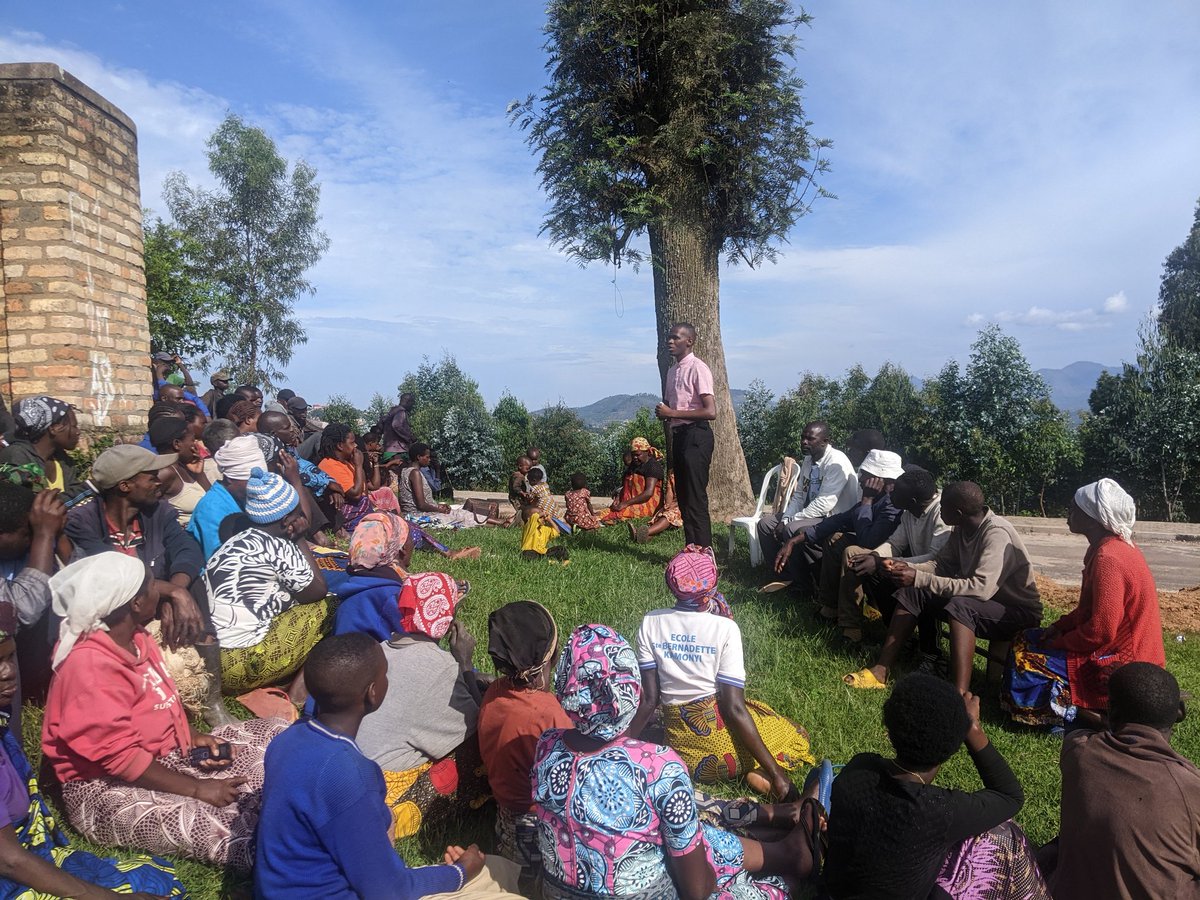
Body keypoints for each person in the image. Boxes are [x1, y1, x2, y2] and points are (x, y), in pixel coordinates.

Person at [533, 623, 819, 900]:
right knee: (720, 863)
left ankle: (784, 850)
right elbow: (697, 891)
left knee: (695, 837)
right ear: (633, 690)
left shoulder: (547, 746)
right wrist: (711, 870)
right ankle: (787, 875)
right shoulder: (658, 766)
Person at [41, 553, 286, 871]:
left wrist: (192, 738)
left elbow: (158, 705)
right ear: (136, 603)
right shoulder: (88, 665)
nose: (160, 589)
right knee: (225, 824)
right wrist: (198, 789)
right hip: (104, 786)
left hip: (162, 756)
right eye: (150, 585)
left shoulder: (137, 638)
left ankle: (272, 798)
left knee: (275, 732)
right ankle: (287, 851)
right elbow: (119, 758)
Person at [255, 632, 522, 899]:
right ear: (373, 693)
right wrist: (460, 872)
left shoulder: (286, 742)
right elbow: (389, 891)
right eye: (386, 674)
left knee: (499, 869)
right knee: (500, 879)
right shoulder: (352, 775)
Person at [0, 607, 187, 899]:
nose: (8, 671)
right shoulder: (88, 663)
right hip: (9, 870)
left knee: (153, 879)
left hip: (20, 850)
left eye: (10, 657)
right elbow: (8, 860)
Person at [823, 673, 1048, 899]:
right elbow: (1010, 796)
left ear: (890, 732)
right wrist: (974, 730)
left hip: (832, 894)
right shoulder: (939, 811)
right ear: (951, 749)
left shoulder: (858, 769)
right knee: (1005, 832)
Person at [629, 546, 814, 796]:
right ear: (711, 586)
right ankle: (763, 773)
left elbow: (650, 700)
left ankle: (754, 771)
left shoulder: (650, 622)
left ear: (671, 585)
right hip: (719, 746)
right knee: (790, 731)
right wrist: (778, 775)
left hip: (682, 752)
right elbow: (733, 707)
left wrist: (619, 744)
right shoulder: (725, 629)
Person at [844, 481, 1043, 692]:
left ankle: (959, 696)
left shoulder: (996, 534)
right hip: (986, 605)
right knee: (914, 593)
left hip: (1017, 612)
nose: (939, 509)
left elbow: (981, 588)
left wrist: (919, 578)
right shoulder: (962, 528)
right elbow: (941, 565)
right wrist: (908, 568)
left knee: (961, 606)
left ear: (958, 512)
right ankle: (881, 671)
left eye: (943, 506)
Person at [1003, 479, 1165, 728]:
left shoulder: (1108, 558)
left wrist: (1060, 642)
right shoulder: (1108, 548)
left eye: (1073, 508)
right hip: (1119, 647)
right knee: (1026, 637)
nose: (1068, 514)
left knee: (1027, 658)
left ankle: (1069, 716)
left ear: (1092, 518)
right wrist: (1060, 626)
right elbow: (1089, 610)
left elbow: (1101, 631)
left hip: (1122, 659)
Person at [1043, 662, 1200, 899]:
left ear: (1111, 713)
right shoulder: (1190, 787)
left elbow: (1087, 731)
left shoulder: (1077, 751)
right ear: (1180, 713)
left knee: (1056, 848)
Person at [354, 574, 488, 840]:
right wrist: (465, 664)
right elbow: (482, 726)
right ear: (446, 617)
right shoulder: (440, 669)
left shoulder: (381, 649)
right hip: (382, 796)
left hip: (349, 773)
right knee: (482, 752)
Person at [201, 469, 331, 701]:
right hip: (242, 665)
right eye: (298, 515)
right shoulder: (278, 547)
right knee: (328, 606)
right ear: (286, 521)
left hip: (213, 663)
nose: (303, 518)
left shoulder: (234, 542)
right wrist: (299, 538)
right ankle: (300, 687)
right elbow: (318, 590)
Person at [477, 601, 571, 893]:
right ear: (544, 663)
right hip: (537, 825)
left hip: (506, 818)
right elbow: (572, 769)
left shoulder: (495, 692)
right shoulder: (546, 711)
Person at [776, 448, 903, 608]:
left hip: (887, 560)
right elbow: (837, 521)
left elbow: (867, 542)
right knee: (827, 536)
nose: (861, 479)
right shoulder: (878, 500)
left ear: (879, 479)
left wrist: (867, 500)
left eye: (865, 475)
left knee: (848, 549)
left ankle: (850, 620)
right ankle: (828, 603)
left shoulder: (893, 505)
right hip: (870, 548)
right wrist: (794, 540)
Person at [838, 467, 951, 646]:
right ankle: (851, 629)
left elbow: (934, 559)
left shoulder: (942, 514)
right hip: (908, 565)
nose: (890, 493)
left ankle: (904, 639)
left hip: (932, 573)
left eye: (896, 492)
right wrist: (875, 556)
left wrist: (881, 562)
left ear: (912, 500)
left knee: (879, 567)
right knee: (854, 554)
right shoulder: (910, 512)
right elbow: (895, 544)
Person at [757, 420, 858, 590]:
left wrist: (790, 522)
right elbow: (799, 495)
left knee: (791, 529)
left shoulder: (836, 462)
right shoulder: (808, 460)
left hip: (834, 516)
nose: (804, 442)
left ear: (825, 441)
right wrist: (786, 518)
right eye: (803, 437)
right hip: (809, 513)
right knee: (765, 524)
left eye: (810, 439)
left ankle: (803, 584)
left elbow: (824, 504)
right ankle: (782, 576)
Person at [0, 475, 67, 717]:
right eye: (26, 533)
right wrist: (44, 534)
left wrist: (56, 535)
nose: (31, 541)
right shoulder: (39, 539)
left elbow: (81, 582)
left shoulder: (17, 553)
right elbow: (22, 610)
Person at [655, 323, 717, 548]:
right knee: (684, 496)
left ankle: (704, 551)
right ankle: (692, 548)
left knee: (695, 497)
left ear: (689, 341)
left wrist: (672, 412)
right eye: (669, 338)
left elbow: (710, 411)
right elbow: (675, 405)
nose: (670, 342)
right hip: (680, 436)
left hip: (696, 436)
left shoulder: (698, 368)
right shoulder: (673, 371)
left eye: (676, 338)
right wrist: (666, 411)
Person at [188, 433, 266, 559]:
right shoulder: (211, 509)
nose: (259, 485)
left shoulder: (247, 497)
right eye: (251, 480)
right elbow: (222, 562)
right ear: (230, 479)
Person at [398, 443, 500, 528]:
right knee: (460, 516)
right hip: (418, 516)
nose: (429, 460)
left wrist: (437, 506)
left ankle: (501, 522)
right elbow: (421, 505)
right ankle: (502, 523)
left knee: (459, 513)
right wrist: (438, 509)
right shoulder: (415, 473)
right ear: (419, 457)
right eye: (427, 457)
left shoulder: (404, 471)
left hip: (417, 513)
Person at [0, 397, 83, 496]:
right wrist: (89, 488)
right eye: (74, 426)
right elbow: (34, 503)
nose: (78, 432)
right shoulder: (17, 456)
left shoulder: (63, 460)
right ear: (53, 428)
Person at [150, 416, 215, 527]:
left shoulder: (184, 467)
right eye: (192, 439)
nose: (196, 444)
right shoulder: (165, 473)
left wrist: (200, 475)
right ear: (177, 444)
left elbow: (213, 500)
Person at [599, 437, 664, 524]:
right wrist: (619, 498)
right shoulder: (634, 465)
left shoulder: (653, 466)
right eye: (633, 455)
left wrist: (625, 503)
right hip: (631, 501)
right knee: (605, 512)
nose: (635, 457)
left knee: (618, 513)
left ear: (647, 452)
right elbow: (626, 485)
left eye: (638, 455)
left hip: (649, 504)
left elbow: (648, 493)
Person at [380, 392, 416, 469]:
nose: (412, 406)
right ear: (408, 401)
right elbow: (396, 425)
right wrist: (409, 437)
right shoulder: (401, 412)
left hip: (388, 449)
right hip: (398, 451)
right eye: (412, 403)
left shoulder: (391, 412)